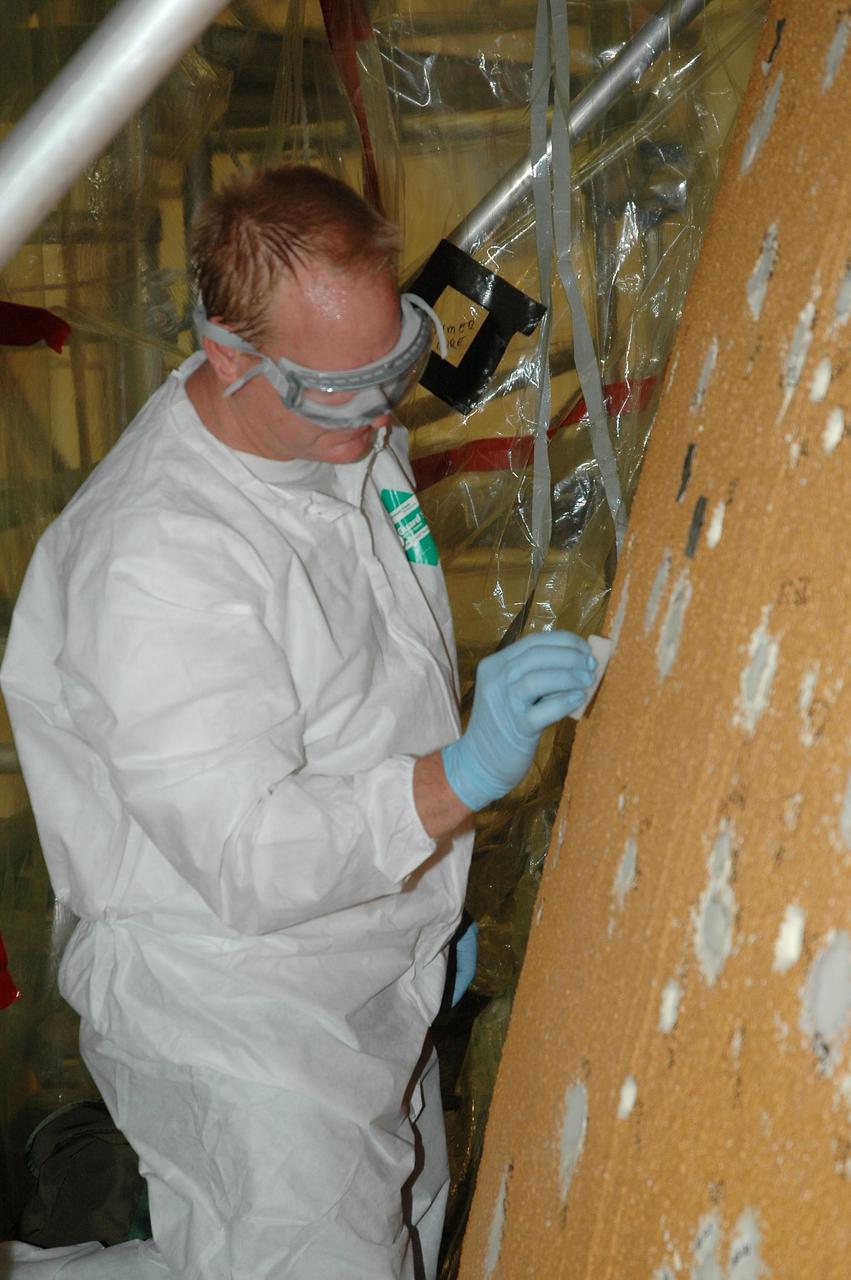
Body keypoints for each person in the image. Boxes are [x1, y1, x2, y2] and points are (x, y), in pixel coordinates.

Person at [0, 165, 596, 1279]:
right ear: (229, 355)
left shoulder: (331, 429)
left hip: (362, 953)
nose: (377, 414)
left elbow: (366, 683)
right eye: (340, 388)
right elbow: (248, 854)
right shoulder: (155, 562)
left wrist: (422, 904)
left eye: (393, 366)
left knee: (395, 1236)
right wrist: (460, 777)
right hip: (235, 1008)